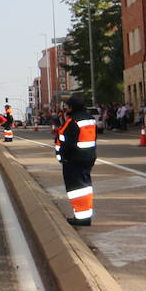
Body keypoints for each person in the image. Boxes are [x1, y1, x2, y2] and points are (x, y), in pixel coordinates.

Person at [57, 95, 97, 227]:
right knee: (85, 187)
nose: (66, 108)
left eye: (67, 106)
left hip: (74, 160)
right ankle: (85, 216)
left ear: (72, 107)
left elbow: (68, 143)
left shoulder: (72, 121)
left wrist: (62, 156)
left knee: (76, 190)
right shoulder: (90, 119)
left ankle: (81, 218)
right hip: (88, 157)